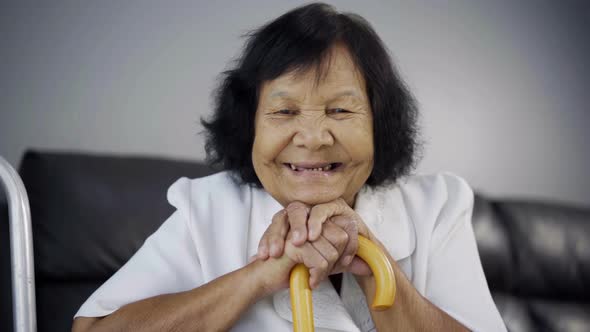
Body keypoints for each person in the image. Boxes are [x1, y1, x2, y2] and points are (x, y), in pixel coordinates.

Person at [72, 3, 506, 331]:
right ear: (249, 127)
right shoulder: (206, 206)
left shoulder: (438, 207)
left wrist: (373, 266)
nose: (313, 136)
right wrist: (260, 275)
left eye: (340, 110)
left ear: (380, 124)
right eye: (283, 113)